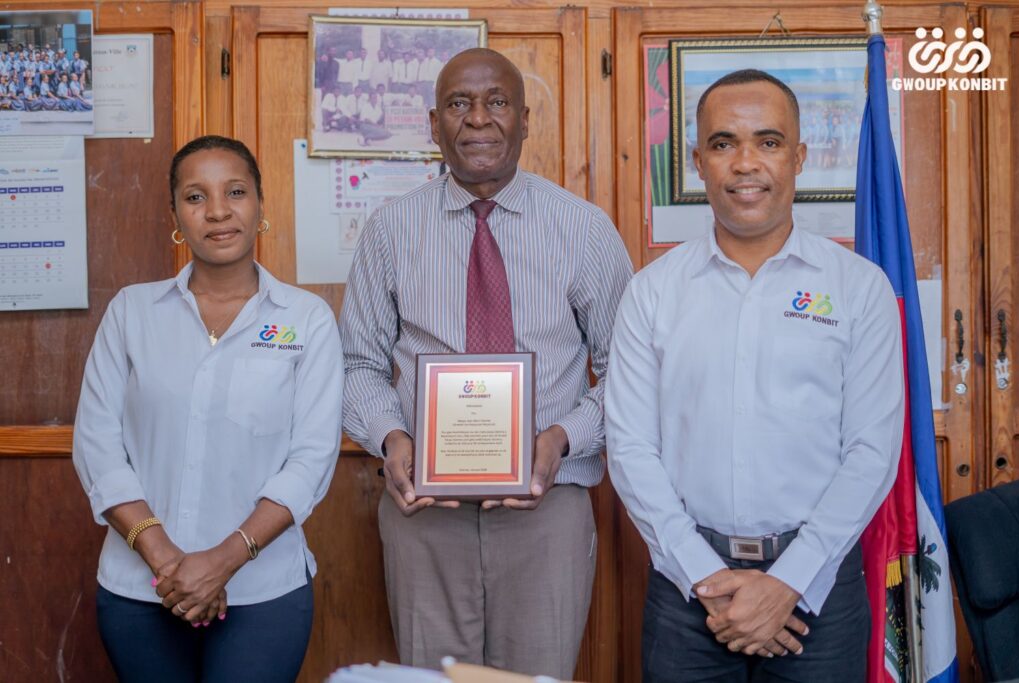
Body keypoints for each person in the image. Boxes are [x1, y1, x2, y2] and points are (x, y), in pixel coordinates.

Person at [339, 47, 632, 679]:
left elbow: (628, 374)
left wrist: (561, 439)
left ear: (525, 120)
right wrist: (391, 439)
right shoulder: (390, 232)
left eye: (497, 102)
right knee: (433, 677)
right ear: (433, 122)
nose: (478, 120)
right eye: (458, 104)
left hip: (547, 509)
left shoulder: (583, 231)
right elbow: (357, 366)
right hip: (424, 511)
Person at [605, 69, 904, 683]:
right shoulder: (651, 293)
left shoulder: (859, 289)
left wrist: (789, 581)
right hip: (688, 591)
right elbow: (631, 447)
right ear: (697, 161)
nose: (746, 163)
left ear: (797, 157)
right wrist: (703, 577)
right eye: (723, 143)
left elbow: (872, 449)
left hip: (819, 587)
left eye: (768, 142)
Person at [72, 136, 344, 682]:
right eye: (195, 197)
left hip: (264, 593)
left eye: (235, 191)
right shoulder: (133, 312)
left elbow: (310, 459)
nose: (218, 211)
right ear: (174, 214)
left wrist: (222, 561)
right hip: (138, 590)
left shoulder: (306, 319)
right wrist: (169, 563)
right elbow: (97, 446)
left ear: (261, 204)